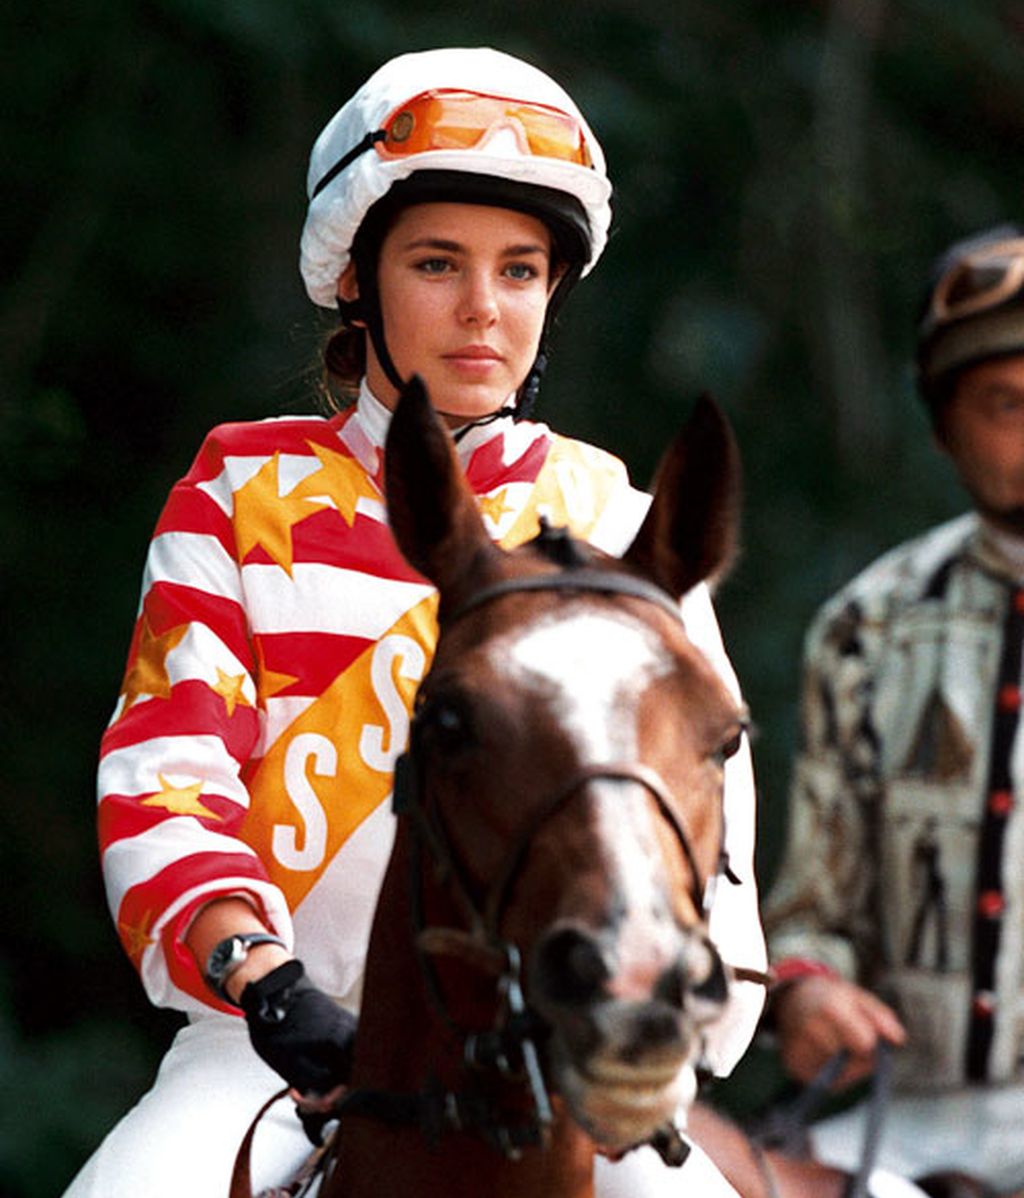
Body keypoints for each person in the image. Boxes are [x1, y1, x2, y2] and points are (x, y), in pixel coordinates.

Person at [63, 46, 767, 1198]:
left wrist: (677, 1018)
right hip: (264, 1045)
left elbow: (710, 798)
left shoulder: (618, 515)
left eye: (521, 270)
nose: (483, 309)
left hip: (570, 1044)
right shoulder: (238, 494)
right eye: (438, 263)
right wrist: (265, 980)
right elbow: (167, 769)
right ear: (358, 278)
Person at [710, 224, 1024, 1198]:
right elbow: (815, 910)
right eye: (1005, 403)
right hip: (913, 1112)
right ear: (942, 427)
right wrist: (808, 989)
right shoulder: (868, 625)